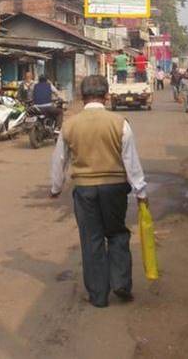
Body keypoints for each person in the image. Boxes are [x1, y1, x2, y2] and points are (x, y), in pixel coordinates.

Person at [50, 75, 148, 308]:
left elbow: (59, 160)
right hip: (115, 189)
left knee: (91, 239)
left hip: (84, 190)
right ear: (106, 96)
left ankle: (98, 296)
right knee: (117, 233)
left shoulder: (70, 125)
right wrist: (141, 192)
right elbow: (130, 160)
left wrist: (55, 187)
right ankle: (121, 283)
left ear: (82, 97)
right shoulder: (119, 122)